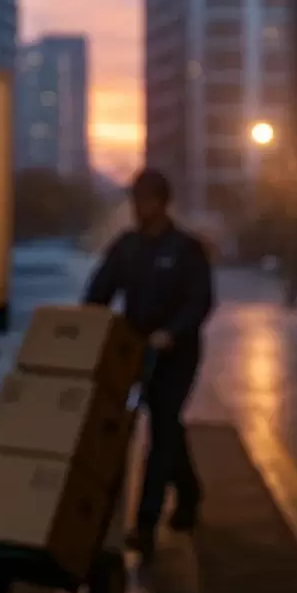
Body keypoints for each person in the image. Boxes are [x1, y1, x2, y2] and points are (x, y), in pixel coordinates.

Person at [83, 168, 215, 554]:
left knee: (161, 426)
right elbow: (99, 290)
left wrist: (172, 332)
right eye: (135, 200)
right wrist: (87, 324)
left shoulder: (186, 249)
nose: (138, 208)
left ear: (161, 203)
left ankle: (145, 523)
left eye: (144, 201)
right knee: (167, 425)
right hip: (136, 354)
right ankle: (189, 492)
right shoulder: (127, 247)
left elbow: (201, 301)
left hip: (176, 354)